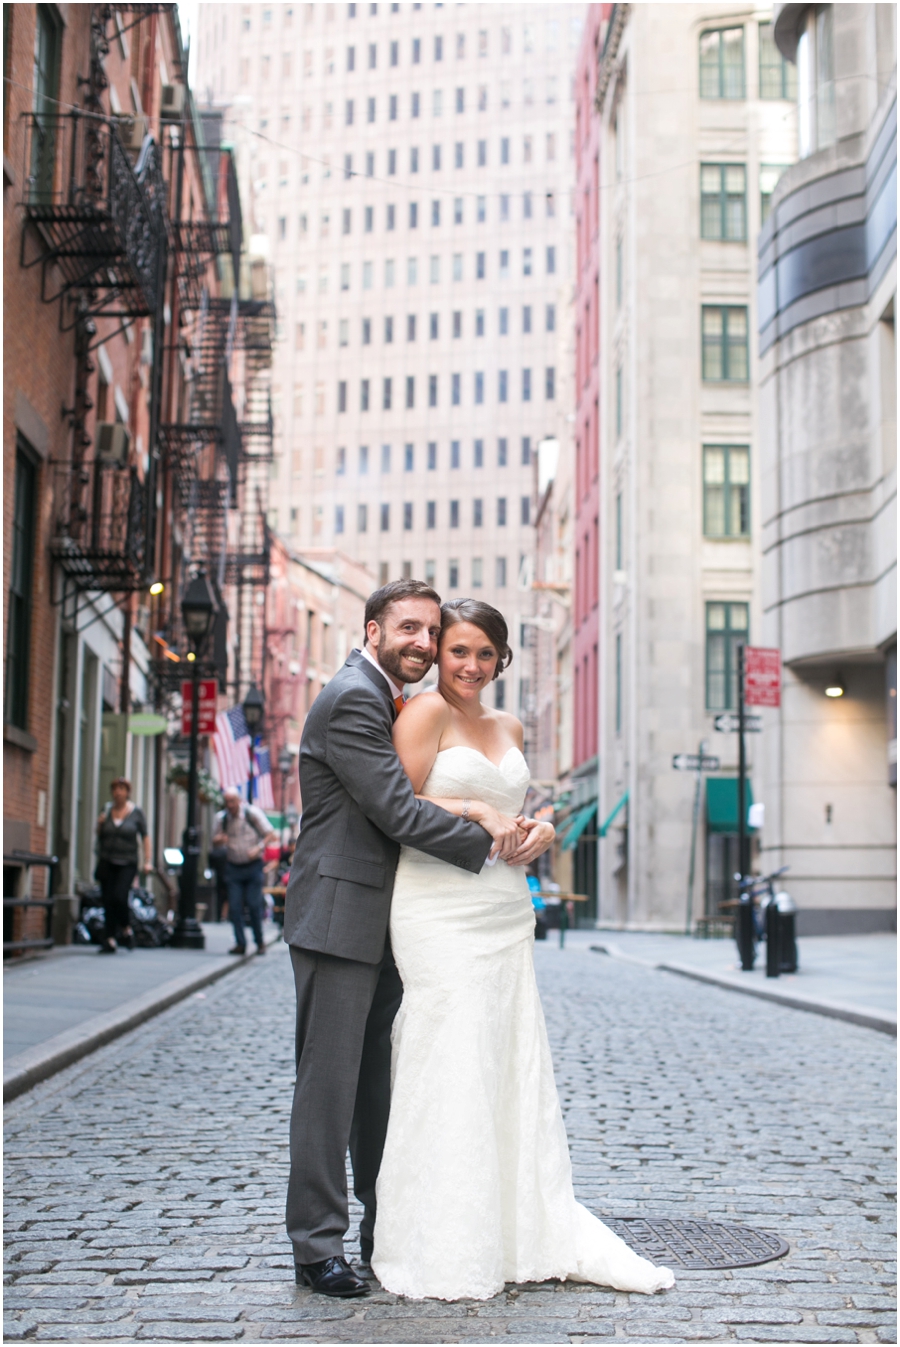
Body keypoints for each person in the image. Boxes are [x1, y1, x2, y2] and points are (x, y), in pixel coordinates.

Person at [371, 599, 675, 1301]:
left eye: (486, 653)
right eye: (459, 651)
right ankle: (440, 1239)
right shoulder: (421, 714)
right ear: (440, 653)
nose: (471, 665)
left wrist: (536, 828)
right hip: (437, 907)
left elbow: (518, 814)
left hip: (504, 904)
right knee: (448, 1054)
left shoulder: (508, 724)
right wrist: (478, 810)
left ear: (502, 658)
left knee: (506, 1059)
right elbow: (397, 807)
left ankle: (512, 1228)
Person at [282, 579, 552, 1299]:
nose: (423, 645)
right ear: (372, 630)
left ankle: (382, 1228)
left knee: (380, 1088)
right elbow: (396, 806)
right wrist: (482, 823)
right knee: (329, 1087)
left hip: (398, 919)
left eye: (430, 632)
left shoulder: (394, 699)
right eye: (410, 629)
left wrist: (521, 820)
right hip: (341, 914)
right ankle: (315, 1245)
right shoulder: (353, 698)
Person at [212, 788, 276, 955]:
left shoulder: (252, 814)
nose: (230, 805)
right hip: (233, 867)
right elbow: (214, 840)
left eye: (232, 801)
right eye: (227, 802)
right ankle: (240, 943)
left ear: (239, 800)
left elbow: (270, 833)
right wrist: (220, 839)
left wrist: (259, 847)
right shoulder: (222, 819)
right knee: (234, 906)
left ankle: (259, 941)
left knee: (254, 905)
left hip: (253, 866)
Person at [94, 778, 151, 955]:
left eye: (121, 789)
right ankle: (110, 939)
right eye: (115, 789)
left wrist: (147, 861)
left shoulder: (136, 813)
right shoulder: (107, 809)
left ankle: (126, 928)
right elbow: (99, 835)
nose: (118, 792)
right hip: (107, 860)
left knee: (119, 896)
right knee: (108, 899)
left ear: (127, 792)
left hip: (127, 861)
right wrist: (100, 824)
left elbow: (145, 836)